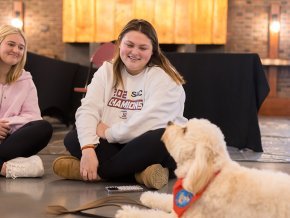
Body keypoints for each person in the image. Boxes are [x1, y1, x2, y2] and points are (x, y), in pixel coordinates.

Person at [52, 19, 187, 189]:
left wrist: (108, 132)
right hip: (119, 146)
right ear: (119, 44)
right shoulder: (106, 71)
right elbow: (88, 108)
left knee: (161, 137)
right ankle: (141, 174)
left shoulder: (164, 77)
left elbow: (150, 122)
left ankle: (94, 172)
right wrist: (87, 149)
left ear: (153, 51)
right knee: (73, 137)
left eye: (143, 48)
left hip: (146, 143)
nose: (134, 52)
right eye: (129, 45)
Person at [0, 24, 53, 179]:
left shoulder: (26, 80)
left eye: (21, 47)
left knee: (44, 127)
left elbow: (33, 116)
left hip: (10, 139)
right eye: (11, 44)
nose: (16, 50)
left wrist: (6, 124)